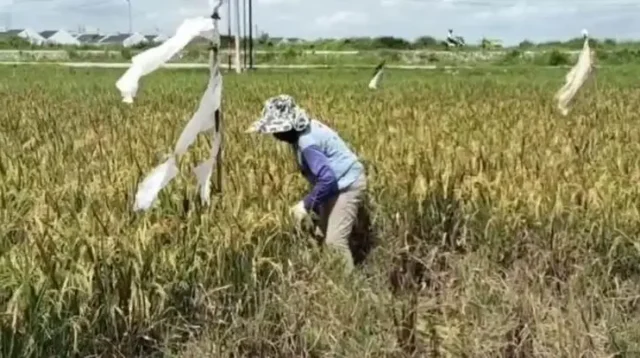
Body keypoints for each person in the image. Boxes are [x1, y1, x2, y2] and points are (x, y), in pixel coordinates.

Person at [246, 94, 367, 272]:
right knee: (320, 234)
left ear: (288, 127)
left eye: (277, 130)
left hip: (347, 185)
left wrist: (305, 205)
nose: (275, 135)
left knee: (335, 242)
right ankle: (328, 276)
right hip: (336, 184)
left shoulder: (306, 141)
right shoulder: (303, 131)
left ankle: (349, 288)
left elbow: (328, 179)